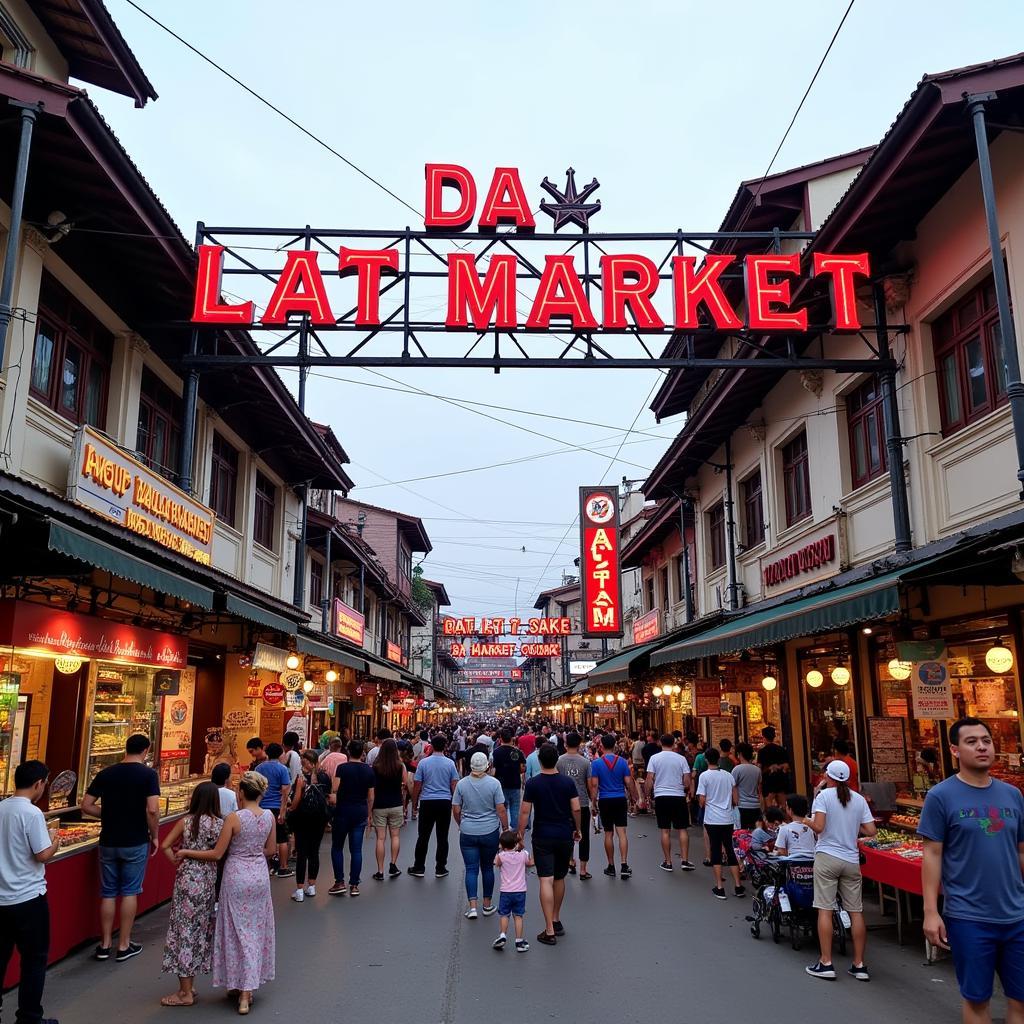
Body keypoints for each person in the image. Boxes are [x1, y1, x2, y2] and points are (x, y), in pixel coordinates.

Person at [919, 717, 1024, 1022]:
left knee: (1020, 1000)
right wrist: (930, 911)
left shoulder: (1012, 795)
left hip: (1016, 915)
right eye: (971, 741)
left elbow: (1020, 852)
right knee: (978, 1001)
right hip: (969, 916)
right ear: (954, 750)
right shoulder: (941, 796)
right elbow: (932, 855)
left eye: (986, 740)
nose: (981, 747)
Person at [181, 771, 276, 1015]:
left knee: (236, 932)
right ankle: (247, 989)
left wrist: (186, 852)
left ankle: (240, 987)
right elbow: (271, 849)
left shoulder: (234, 819)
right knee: (255, 930)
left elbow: (216, 853)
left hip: (236, 877)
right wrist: (253, 853)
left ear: (242, 792)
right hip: (259, 876)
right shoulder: (268, 817)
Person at [81, 733, 161, 962]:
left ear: (126, 749)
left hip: (108, 840)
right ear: (145, 751)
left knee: (108, 891)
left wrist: (107, 814)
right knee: (129, 891)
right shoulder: (148, 775)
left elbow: (86, 805)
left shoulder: (106, 773)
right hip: (135, 839)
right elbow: (153, 809)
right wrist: (154, 835)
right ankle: (124, 944)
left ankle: (105, 943)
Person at [803, 759, 876, 981]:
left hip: (827, 856)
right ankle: (859, 964)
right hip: (851, 859)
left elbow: (819, 827)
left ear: (829, 777)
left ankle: (826, 962)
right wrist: (854, 828)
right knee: (855, 911)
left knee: (825, 909)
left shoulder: (823, 797)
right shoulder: (859, 800)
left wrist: (804, 820)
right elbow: (871, 830)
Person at [0, 760, 60, 1024]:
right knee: (34, 960)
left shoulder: (1, 808)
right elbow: (42, 854)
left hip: (1, 898)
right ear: (38, 784)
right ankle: (29, 1017)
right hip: (28, 898)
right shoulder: (32, 813)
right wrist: (55, 840)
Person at [159, 781, 223, 1006]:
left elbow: (166, 845)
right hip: (207, 882)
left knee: (183, 931)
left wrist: (179, 861)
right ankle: (190, 984)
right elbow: (219, 853)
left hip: (186, 880)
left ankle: (184, 992)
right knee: (198, 930)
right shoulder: (219, 824)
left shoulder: (185, 822)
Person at [519, 743, 581, 946]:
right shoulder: (567, 782)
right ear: (557, 759)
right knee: (559, 877)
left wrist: (520, 833)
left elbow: (525, 811)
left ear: (539, 761)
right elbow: (576, 808)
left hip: (543, 834)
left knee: (546, 879)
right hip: (564, 834)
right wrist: (577, 829)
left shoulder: (533, 783)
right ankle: (556, 918)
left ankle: (549, 929)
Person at [453, 752, 508, 919]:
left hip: (468, 831)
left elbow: (456, 809)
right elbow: (500, 809)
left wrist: (461, 823)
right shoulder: (494, 784)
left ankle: (472, 907)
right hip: (490, 830)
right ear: (487, 766)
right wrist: (505, 828)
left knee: (471, 869)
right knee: (487, 868)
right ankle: (487, 904)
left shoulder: (462, 784)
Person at [588, 733, 639, 879]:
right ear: (615, 746)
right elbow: (629, 782)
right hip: (620, 799)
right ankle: (624, 864)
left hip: (605, 800)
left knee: (608, 833)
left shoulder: (596, 764)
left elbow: (595, 785)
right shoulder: (622, 762)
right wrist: (633, 798)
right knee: (622, 833)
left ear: (601, 746)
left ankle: (611, 866)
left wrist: (593, 803)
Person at [409, 736, 460, 878]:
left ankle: (419, 866)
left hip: (427, 802)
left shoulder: (423, 763)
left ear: (431, 746)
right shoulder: (450, 764)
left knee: (423, 836)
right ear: (445, 746)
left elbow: (417, 784)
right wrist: (456, 803)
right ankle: (440, 867)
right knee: (442, 836)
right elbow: (454, 784)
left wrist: (414, 803)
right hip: (444, 802)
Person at [329, 739, 375, 897]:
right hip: (360, 811)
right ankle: (354, 884)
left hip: (343, 810)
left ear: (348, 751)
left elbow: (334, 789)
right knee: (356, 849)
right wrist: (369, 814)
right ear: (362, 752)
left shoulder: (342, 768)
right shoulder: (368, 770)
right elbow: (371, 796)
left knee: (337, 847)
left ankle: (339, 881)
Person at [697, 746, 743, 900]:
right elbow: (736, 799)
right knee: (729, 849)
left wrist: (709, 801)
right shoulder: (728, 776)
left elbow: (702, 801)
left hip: (712, 818)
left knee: (715, 850)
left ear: (706, 760)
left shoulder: (704, 776)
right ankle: (738, 886)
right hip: (727, 818)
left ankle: (719, 887)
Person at [644, 733, 695, 871]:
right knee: (682, 829)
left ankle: (668, 862)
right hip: (678, 796)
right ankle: (685, 860)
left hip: (661, 796)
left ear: (660, 743)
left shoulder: (654, 758)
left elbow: (649, 778)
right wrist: (685, 788)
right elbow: (686, 780)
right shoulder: (681, 759)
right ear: (673, 744)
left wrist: (647, 795)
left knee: (665, 830)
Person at [286, 749, 330, 902]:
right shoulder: (324, 777)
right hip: (318, 819)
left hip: (302, 818)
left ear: (303, 762)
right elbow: (328, 796)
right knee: (314, 852)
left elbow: (296, 799)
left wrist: (290, 809)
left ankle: (299, 889)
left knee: (302, 853)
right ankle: (312, 886)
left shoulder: (300, 778)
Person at [556, 732, 593, 879]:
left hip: (564, 804)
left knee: (567, 834)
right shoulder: (585, 762)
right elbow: (590, 785)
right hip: (582, 802)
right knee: (584, 835)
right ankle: (583, 869)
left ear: (566, 744)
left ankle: (570, 861)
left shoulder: (559, 761)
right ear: (579, 745)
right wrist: (594, 801)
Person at [254, 742, 292, 879]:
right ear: (280, 753)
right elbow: (285, 792)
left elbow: (255, 788)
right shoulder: (282, 769)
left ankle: (266, 866)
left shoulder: (258, 768)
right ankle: (283, 867)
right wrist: (283, 812)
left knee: (263, 838)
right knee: (281, 838)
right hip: (276, 807)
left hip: (261, 807)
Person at [371, 738, 407, 881]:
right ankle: (393, 864)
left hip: (379, 804)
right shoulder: (400, 765)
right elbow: (405, 783)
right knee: (395, 836)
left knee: (381, 838)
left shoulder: (376, 766)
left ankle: (380, 870)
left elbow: (372, 788)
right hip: (396, 803)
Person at [493, 830, 532, 952]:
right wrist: (520, 842)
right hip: (520, 891)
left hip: (506, 891)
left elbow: (496, 863)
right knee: (518, 916)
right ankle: (519, 941)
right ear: (516, 843)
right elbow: (529, 863)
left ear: (501, 845)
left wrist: (500, 850)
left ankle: (503, 935)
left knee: (504, 914)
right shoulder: (523, 855)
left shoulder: (501, 856)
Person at [491, 729, 525, 837]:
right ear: (512, 738)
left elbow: (493, 769)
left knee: (502, 808)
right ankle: (514, 831)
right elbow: (522, 768)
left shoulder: (496, 752)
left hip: (500, 784)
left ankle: (504, 830)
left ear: (500, 739)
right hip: (515, 782)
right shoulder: (517, 752)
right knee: (515, 808)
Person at [757, 726, 792, 810]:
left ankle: (772, 822)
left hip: (768, 782)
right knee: (783, 807)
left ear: (764, 737)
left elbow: (759, 768)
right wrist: (779, 767)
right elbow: (787, 765)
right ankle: (784, 822)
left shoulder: (762, 751)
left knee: (769, 808)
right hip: (781, 781)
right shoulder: (782, 750)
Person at [732, 743, 763, 830]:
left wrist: (734, 803)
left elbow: (733, 787)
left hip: (742, 806)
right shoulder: (757, 770)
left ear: (740, 754)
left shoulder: (737, 769)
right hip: (756, 806)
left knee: (742, 834)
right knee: (755, 832)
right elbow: (759, 789)